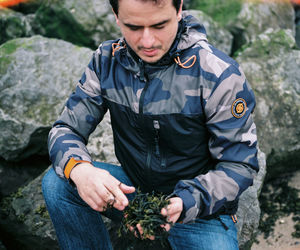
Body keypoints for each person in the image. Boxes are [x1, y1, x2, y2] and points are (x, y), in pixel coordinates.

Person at [42, 0, 259, 249]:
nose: (147, 42)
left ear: (179, 10)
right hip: (131, 194)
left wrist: (186, 201)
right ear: (115, 15)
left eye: (159, 25)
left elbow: (240, 164)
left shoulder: (219, 74)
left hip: (198, 211)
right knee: (58, 183)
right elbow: (65, 128)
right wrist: (81, 170)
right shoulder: (105, 60)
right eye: (133, 27)